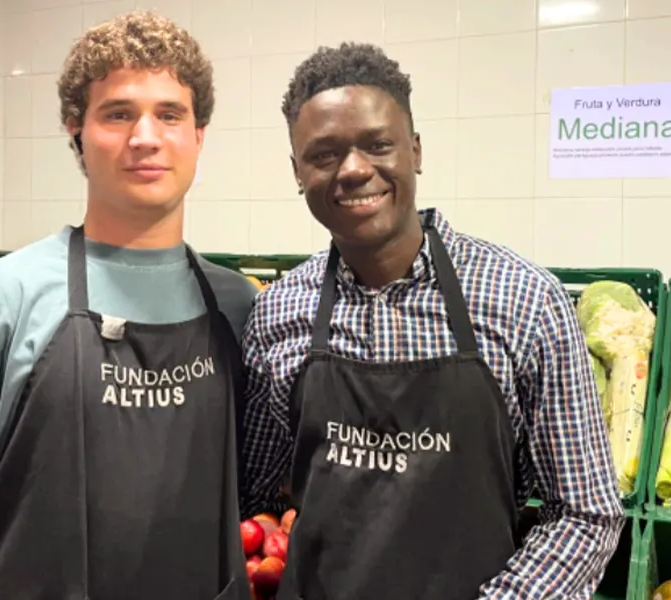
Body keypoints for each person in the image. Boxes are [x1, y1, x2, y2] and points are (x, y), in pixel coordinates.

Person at [0, 11, 256, 600]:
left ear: (198, 134)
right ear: (77, 130)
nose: (145, 136)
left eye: (169, 114)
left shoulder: (238, 305)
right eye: (118, 113)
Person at [240, 42, 626, 600]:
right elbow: (257, 492)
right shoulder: (278, 314)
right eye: (324, 154)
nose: (353, 170)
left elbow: (584, 514)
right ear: (298, 172)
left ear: (414, 150)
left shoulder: (524, 301)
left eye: (378, 145)